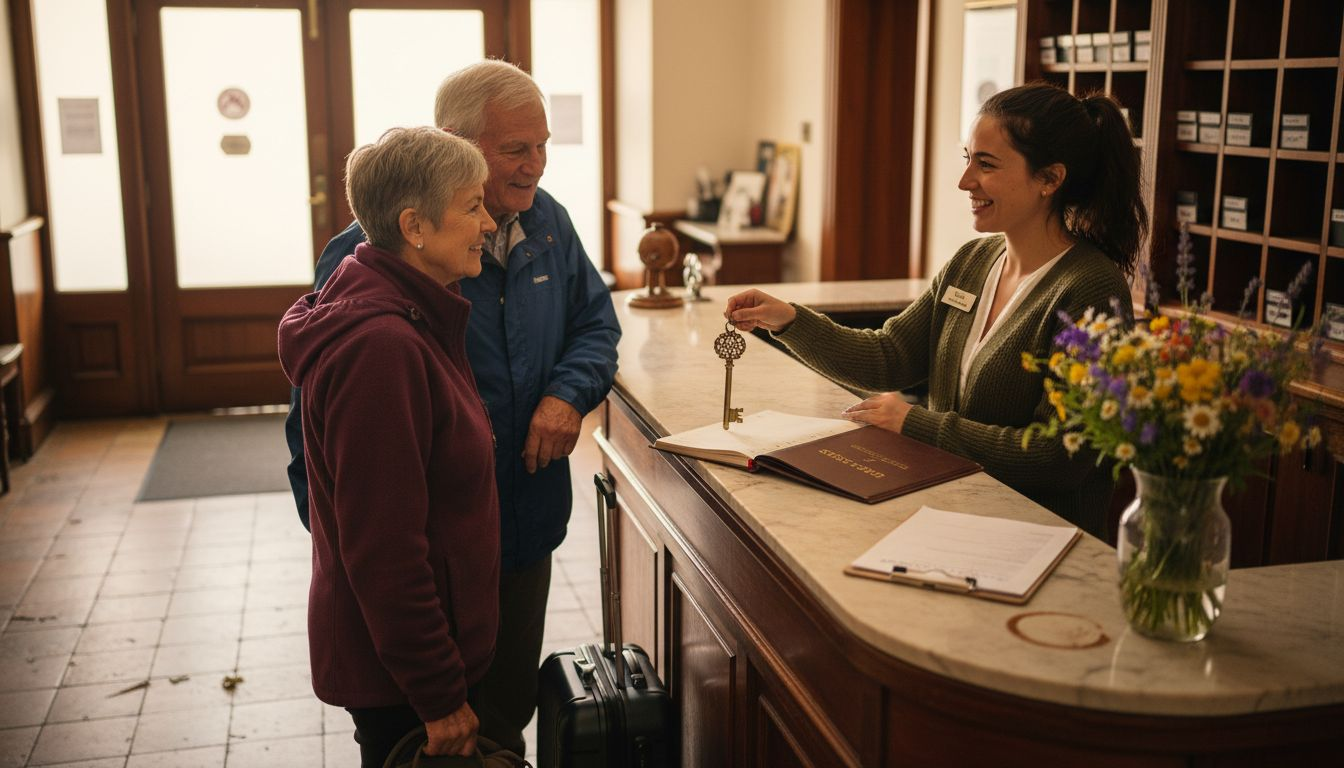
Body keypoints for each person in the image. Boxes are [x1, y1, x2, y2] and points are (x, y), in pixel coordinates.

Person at [283, 60, 621, 756]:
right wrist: (351, 562)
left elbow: (596, 323)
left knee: (498, 727)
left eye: (543, 145)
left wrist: (566, 394)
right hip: (423, 564)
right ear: (458, 144)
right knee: (428, 740)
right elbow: (335, 463)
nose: (536, 167)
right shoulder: (373, 264)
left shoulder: (547, 223)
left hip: (517, 526)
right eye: (515, 150)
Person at [725, 83, 1146, 537]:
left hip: (1038, 538)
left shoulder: (1091, 290)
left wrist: (916, 424)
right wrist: (789, 319)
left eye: (986, 164)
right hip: (955, 514)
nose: (965, 181)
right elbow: (889, 356)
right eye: (968, 158)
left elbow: (1059, 457)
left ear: (1050, 179)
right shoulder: (972, 261)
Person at [277, 127, 499, 765]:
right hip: (403, 680)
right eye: (471, 206)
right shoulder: (383, 349)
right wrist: (437, 693)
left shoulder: (414, 309)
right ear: (415, 226)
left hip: (420, 660)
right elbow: (384, 548)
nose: (488, 222)